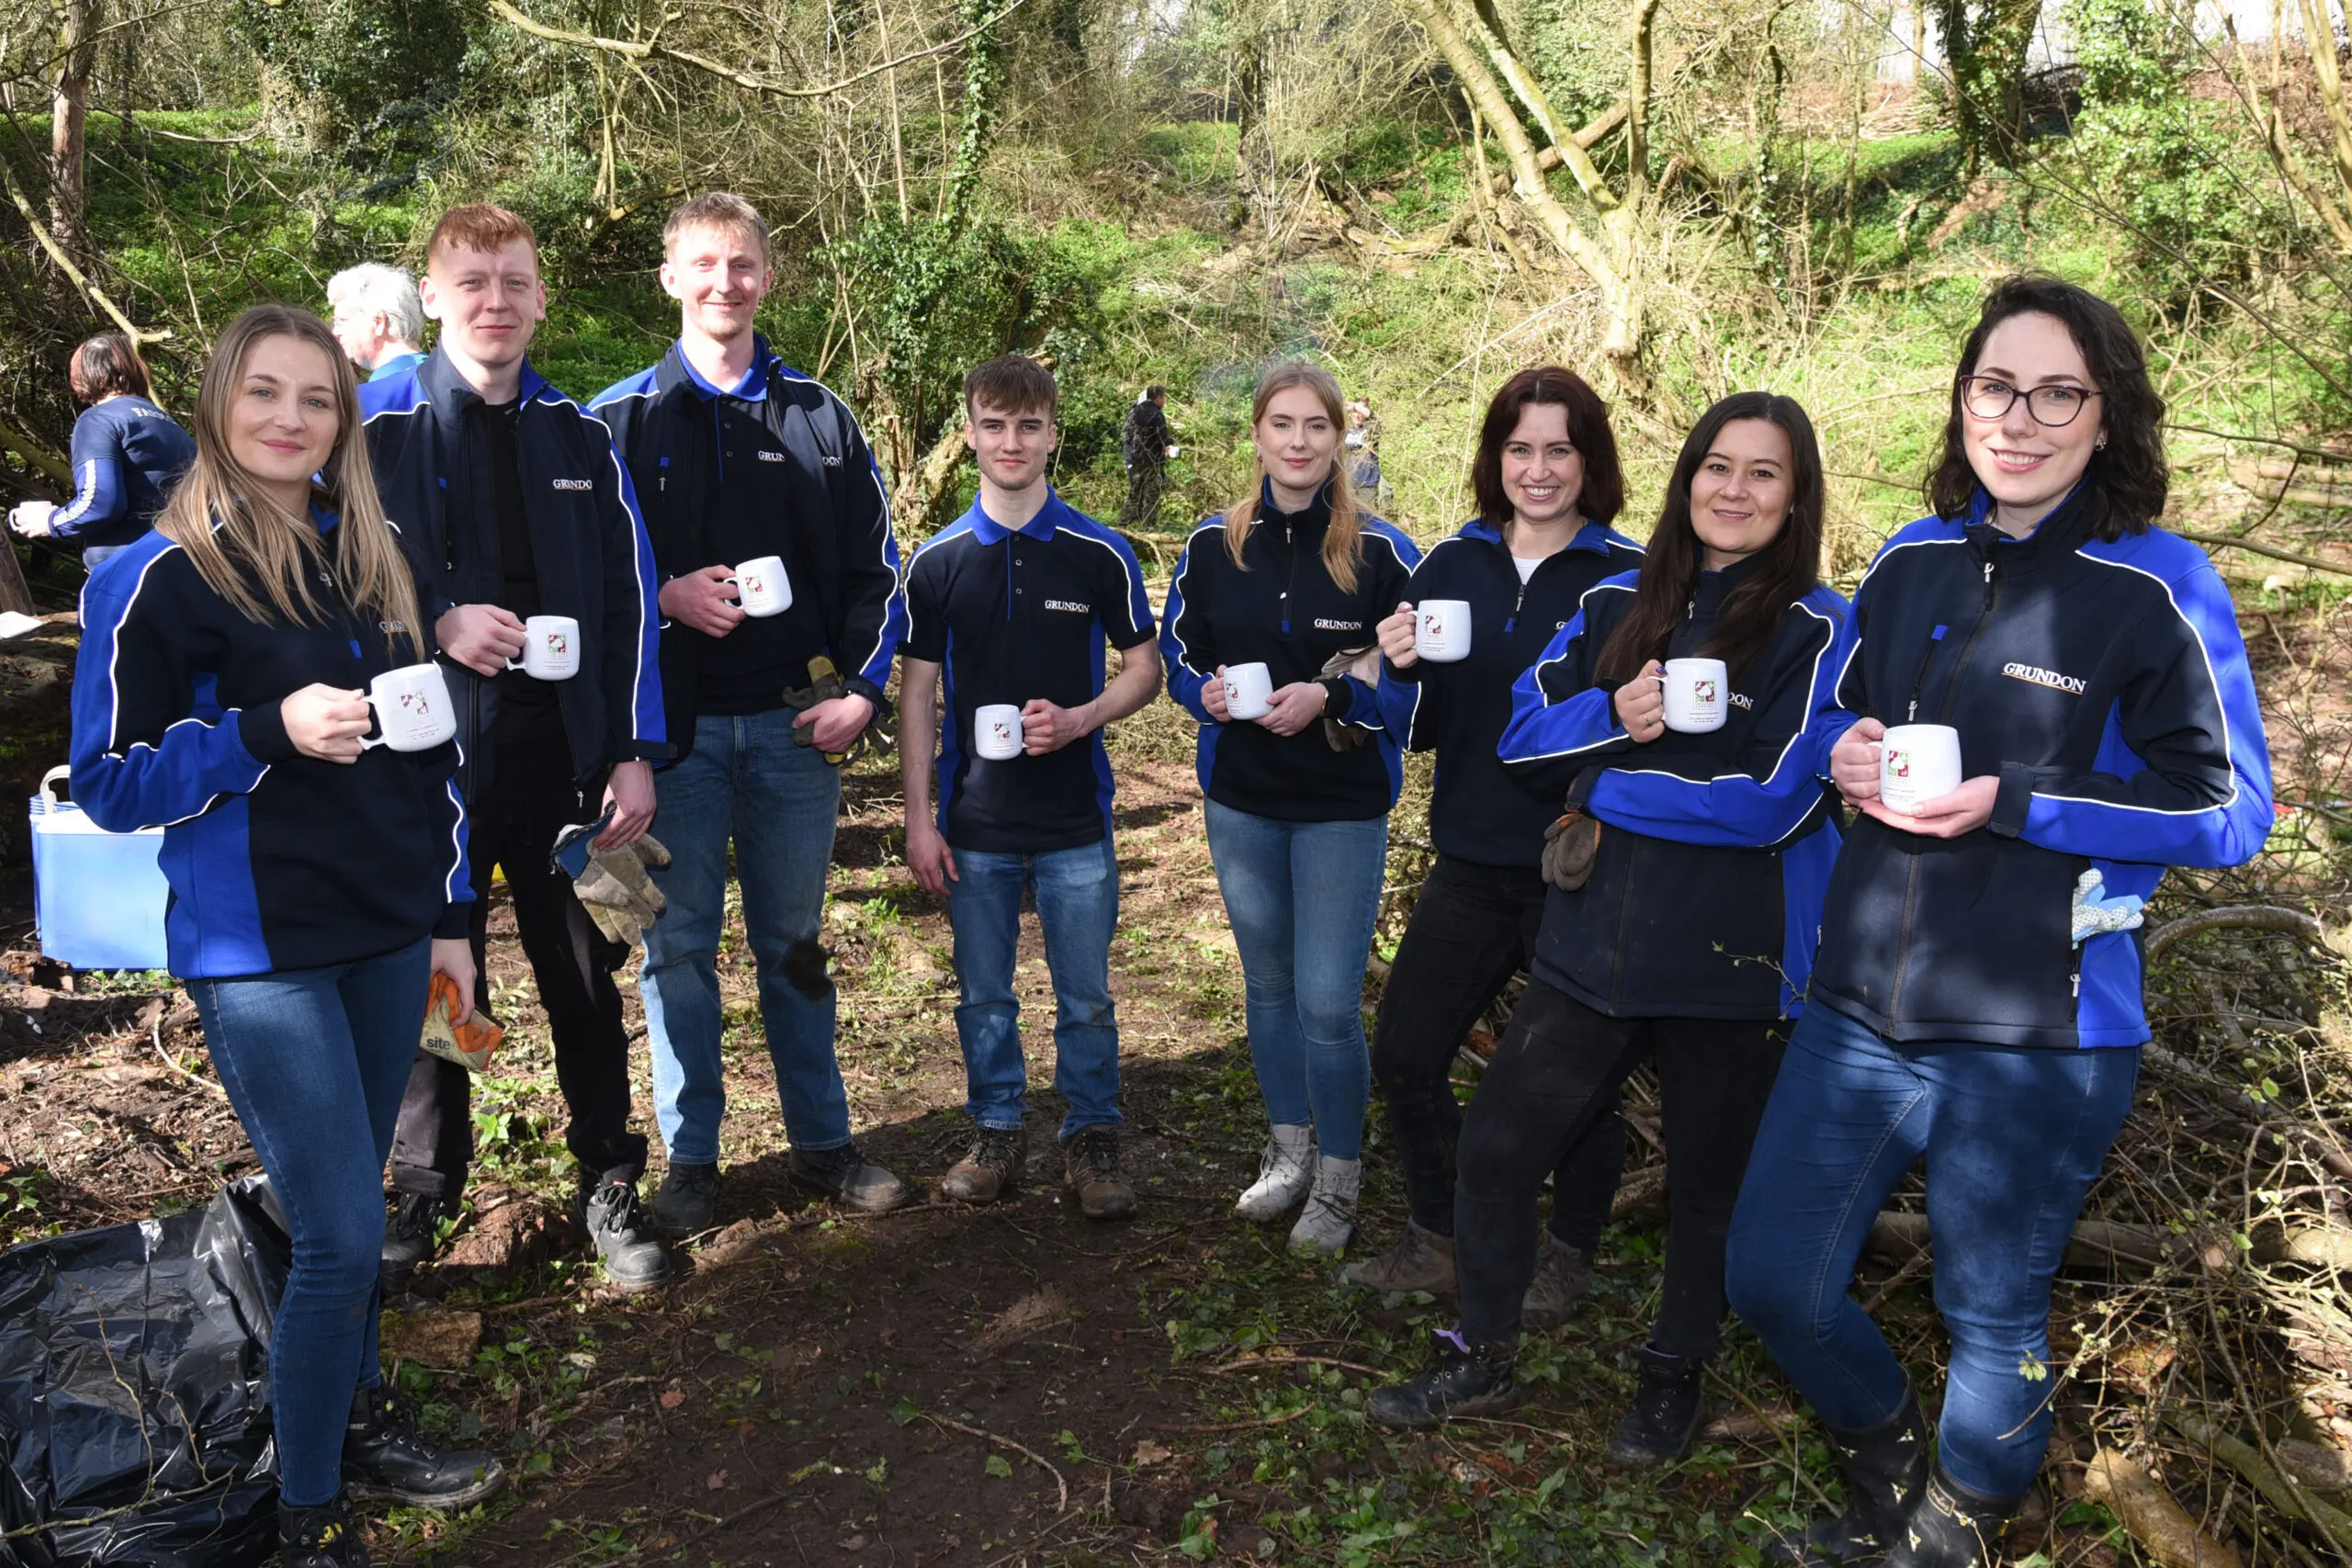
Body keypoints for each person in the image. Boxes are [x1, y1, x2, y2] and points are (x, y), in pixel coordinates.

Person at [1725, 279, 2273, 1568]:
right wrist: (1841, 754)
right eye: (1995, 386)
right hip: (1857, 1003)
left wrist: (2015, 800)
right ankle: (1898, 1468)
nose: (2019, 417)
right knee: (1773, 1278)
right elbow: (1830, 714)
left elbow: (2232, 808)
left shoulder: (2158, 583)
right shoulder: (1913, 554)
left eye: (2057, 391)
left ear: (2106, 414)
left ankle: (1957, 1528)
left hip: (2040, 1026)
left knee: (1991, 1311)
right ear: (1963, 397)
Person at [68, 304, 503, 1568]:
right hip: (259, 949)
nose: (289, 419)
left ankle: (353, 1415)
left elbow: (438, 756)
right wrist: (264, 731)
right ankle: (304, 1511)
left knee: (351, 1207)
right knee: (339, 1234)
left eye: (315, 399)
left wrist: (450, 914)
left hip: (381, 927)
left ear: (342, 419)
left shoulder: (374, 551)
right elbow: (107, 780)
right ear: (215, 404)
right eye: (264, 393)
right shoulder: (157, 576)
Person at [1368, 392, 1855, 1470]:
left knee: (1706, 1183)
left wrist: (1610, 791)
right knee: (1496, 1150)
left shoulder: (1821, 625)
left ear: (1795, 494)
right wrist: (1612, 721)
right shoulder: (1615, 603)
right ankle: (1481, 1348)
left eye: (1762, 473)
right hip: (1592, 944)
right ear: (1686, 480)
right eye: (1715, 467)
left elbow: (1774, 797)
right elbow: (1517, 739)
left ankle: (1669, 1380)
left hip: (1736, 957)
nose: (1733, 491)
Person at [363, 204, 672, 1292]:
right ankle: (422, 1186)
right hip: (426, 765)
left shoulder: (580, 437)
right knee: (440, 975)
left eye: (515, 281)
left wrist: (632, 750)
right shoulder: (373, 427)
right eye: (473, 281)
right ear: (433, 294)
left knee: (584, 975)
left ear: (542, 296)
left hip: (566, 764)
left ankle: (607, 1176)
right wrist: (437, 616)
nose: (496, 301)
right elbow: (330, 584)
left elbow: (633, 600)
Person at [591, 192, 909, 1230]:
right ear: (672, 278)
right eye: (705, 265)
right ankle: (692, 1160)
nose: (725, 282)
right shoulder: (617, 421)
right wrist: (665, 596)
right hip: (667, 746)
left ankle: (822, 1143)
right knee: (673, 951)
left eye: (744, 265)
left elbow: (878, 574)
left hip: (792, 729)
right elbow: (586, 584)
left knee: (795, 943)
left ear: (767, 279)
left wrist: (862, 691)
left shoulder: (820, 415)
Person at [1348, 367, 1645, 1325]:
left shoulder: (1632, 578)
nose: (1539, 468)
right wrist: (1388, 668)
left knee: (1579, 1088)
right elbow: (1414, 722)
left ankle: (1565, 1255)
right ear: (1495, 458)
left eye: (1560, 449)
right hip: (1471, 858)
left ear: (1589, 460)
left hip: (1583, 868)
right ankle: (1437, 1237)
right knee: (1402, 1053)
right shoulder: (1451, 565)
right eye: (1520, 448)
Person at [1160, 360, 1419, 1254]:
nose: (1299, 442)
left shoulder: (1383, 554)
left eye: (1317, 426)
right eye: (1282, 424)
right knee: (1266, 986)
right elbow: (1174, 658)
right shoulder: (1210, 545)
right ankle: (1288, 1154)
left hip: (1342, 805)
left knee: (1324, 1000)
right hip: (1242, 802)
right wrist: (1204, 698)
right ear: (1257, 436)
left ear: (1339, 436)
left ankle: (1342, 1180)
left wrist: (1336, 700)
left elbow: (1421, 689)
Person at [900, 355, 1163, 1218]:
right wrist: (918, 819)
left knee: (1085, 995)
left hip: (1074, 820)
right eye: (994, 424)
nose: (1011, 441)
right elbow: (917, 694)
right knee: (984, 993)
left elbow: (1145, 669)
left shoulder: (1100, 552)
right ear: (969, 432)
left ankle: (1092, 1139)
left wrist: (1084, 718)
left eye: (1029, 426)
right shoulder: (937, 561)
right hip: (973, 822)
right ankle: (998, 1131)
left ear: (1054, 435)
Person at [7, 333, 194, 570]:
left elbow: (101, 502)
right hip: (181, 563)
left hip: (130, 570)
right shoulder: (171, 425)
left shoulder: (98, 420)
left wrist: (50, 521)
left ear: (83, 376)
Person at [326, 265, 429, 382]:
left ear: (378, 323)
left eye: (341, 321)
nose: (335, 332)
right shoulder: (434, 371)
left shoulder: (385, 384)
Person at [1119, 385, 1175, 528]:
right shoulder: (1156, 414)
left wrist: (1128, 456)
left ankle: (1123, 523)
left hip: (1136, 459)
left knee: (1135, 492)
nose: (1164, 402)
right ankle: (1148, 526)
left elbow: (1128, 434)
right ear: (1158, 399)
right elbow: (1161, 437)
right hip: (1152, 460)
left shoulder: (1135, 411)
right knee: (1152, 494)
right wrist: (1170, 443)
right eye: (1164, 399)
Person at [1344, 397, 1381, 495]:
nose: (1356, 415)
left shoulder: (1372, 428)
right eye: (1354, 412)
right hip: (1347, 483)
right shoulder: (1346, 430)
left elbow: (1371, 415)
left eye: (1359, 412)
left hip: (1367, 484)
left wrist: (1355, 406)